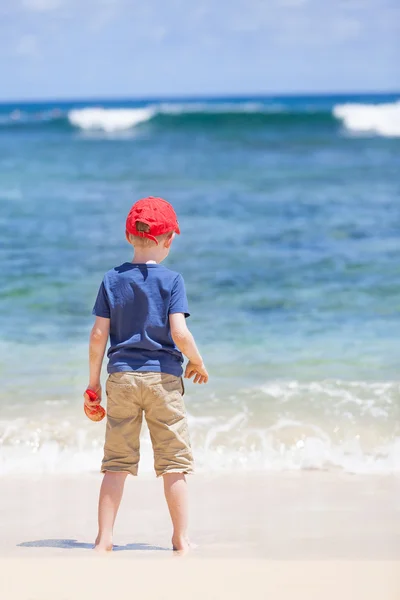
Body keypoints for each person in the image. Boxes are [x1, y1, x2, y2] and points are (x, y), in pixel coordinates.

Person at [84, 196, 208, 555]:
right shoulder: (172, 281)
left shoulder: (111, 279)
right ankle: (180, 539)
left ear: (128, 236)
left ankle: (104, 538)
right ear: (169, 240)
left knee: (116, 463)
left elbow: (97, 337)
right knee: (173, 464)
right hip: (163, 381)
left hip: (121, 378)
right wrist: (197, 362)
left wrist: (93, 386)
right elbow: (180, 333)